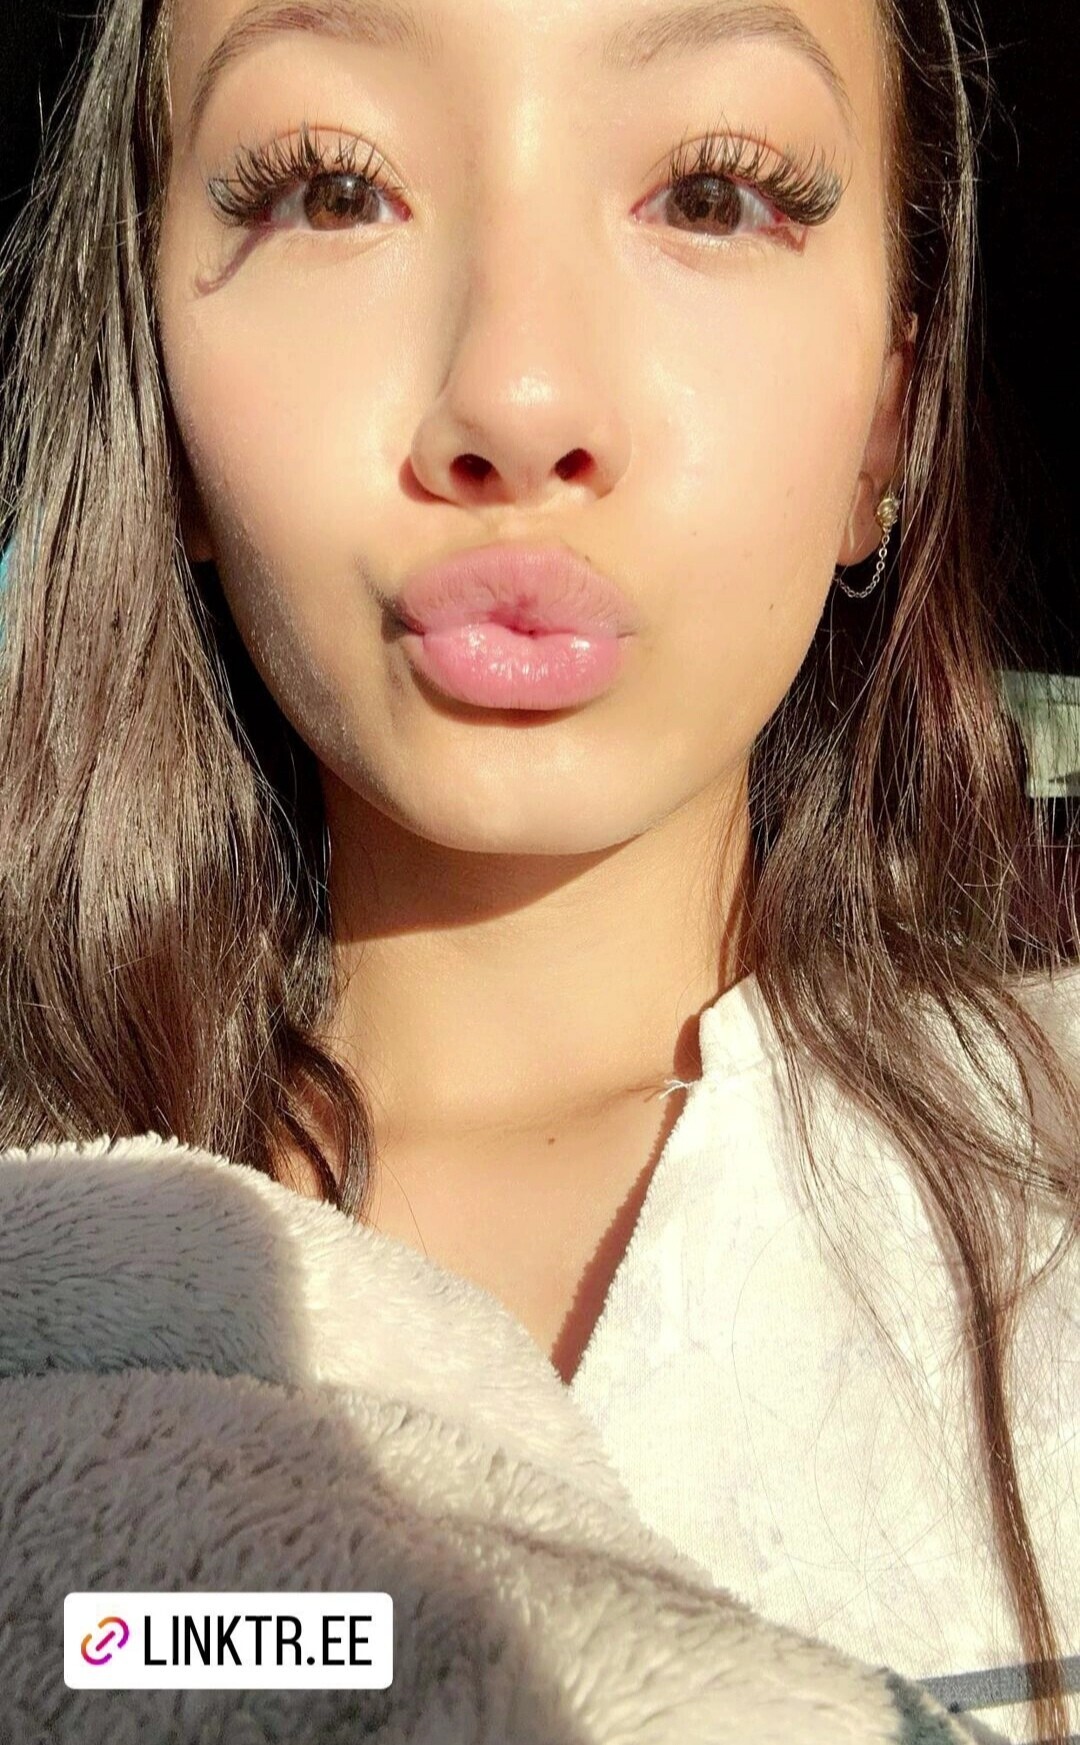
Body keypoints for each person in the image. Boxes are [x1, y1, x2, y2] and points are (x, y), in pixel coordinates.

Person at [0, 0, 1075, 1740]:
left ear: (886, 423)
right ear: (163, 408)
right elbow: (134, 1647)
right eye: (331, 188)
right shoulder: (58, 1250)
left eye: (714, 192)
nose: (514, 396)